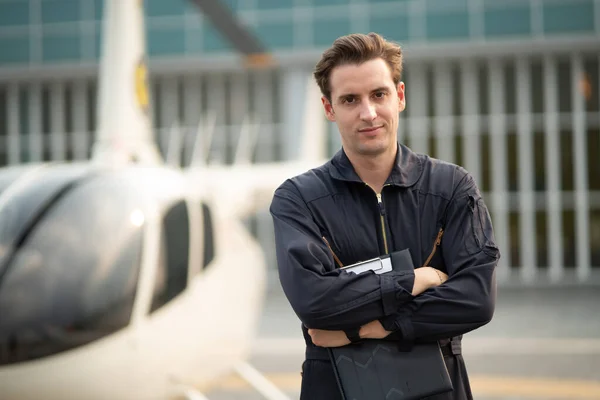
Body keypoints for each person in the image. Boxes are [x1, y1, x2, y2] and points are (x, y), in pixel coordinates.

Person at [269, 32, 500, 400]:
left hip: (437, 390)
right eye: (349, 100)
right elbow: (314, 302)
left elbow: (475, 298)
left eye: (379, 94)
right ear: (329, 109)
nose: (368, 113)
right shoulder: (298, 200)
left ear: (400, 96)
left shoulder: (452, 188)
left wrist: (371, 327)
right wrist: (413, 279)